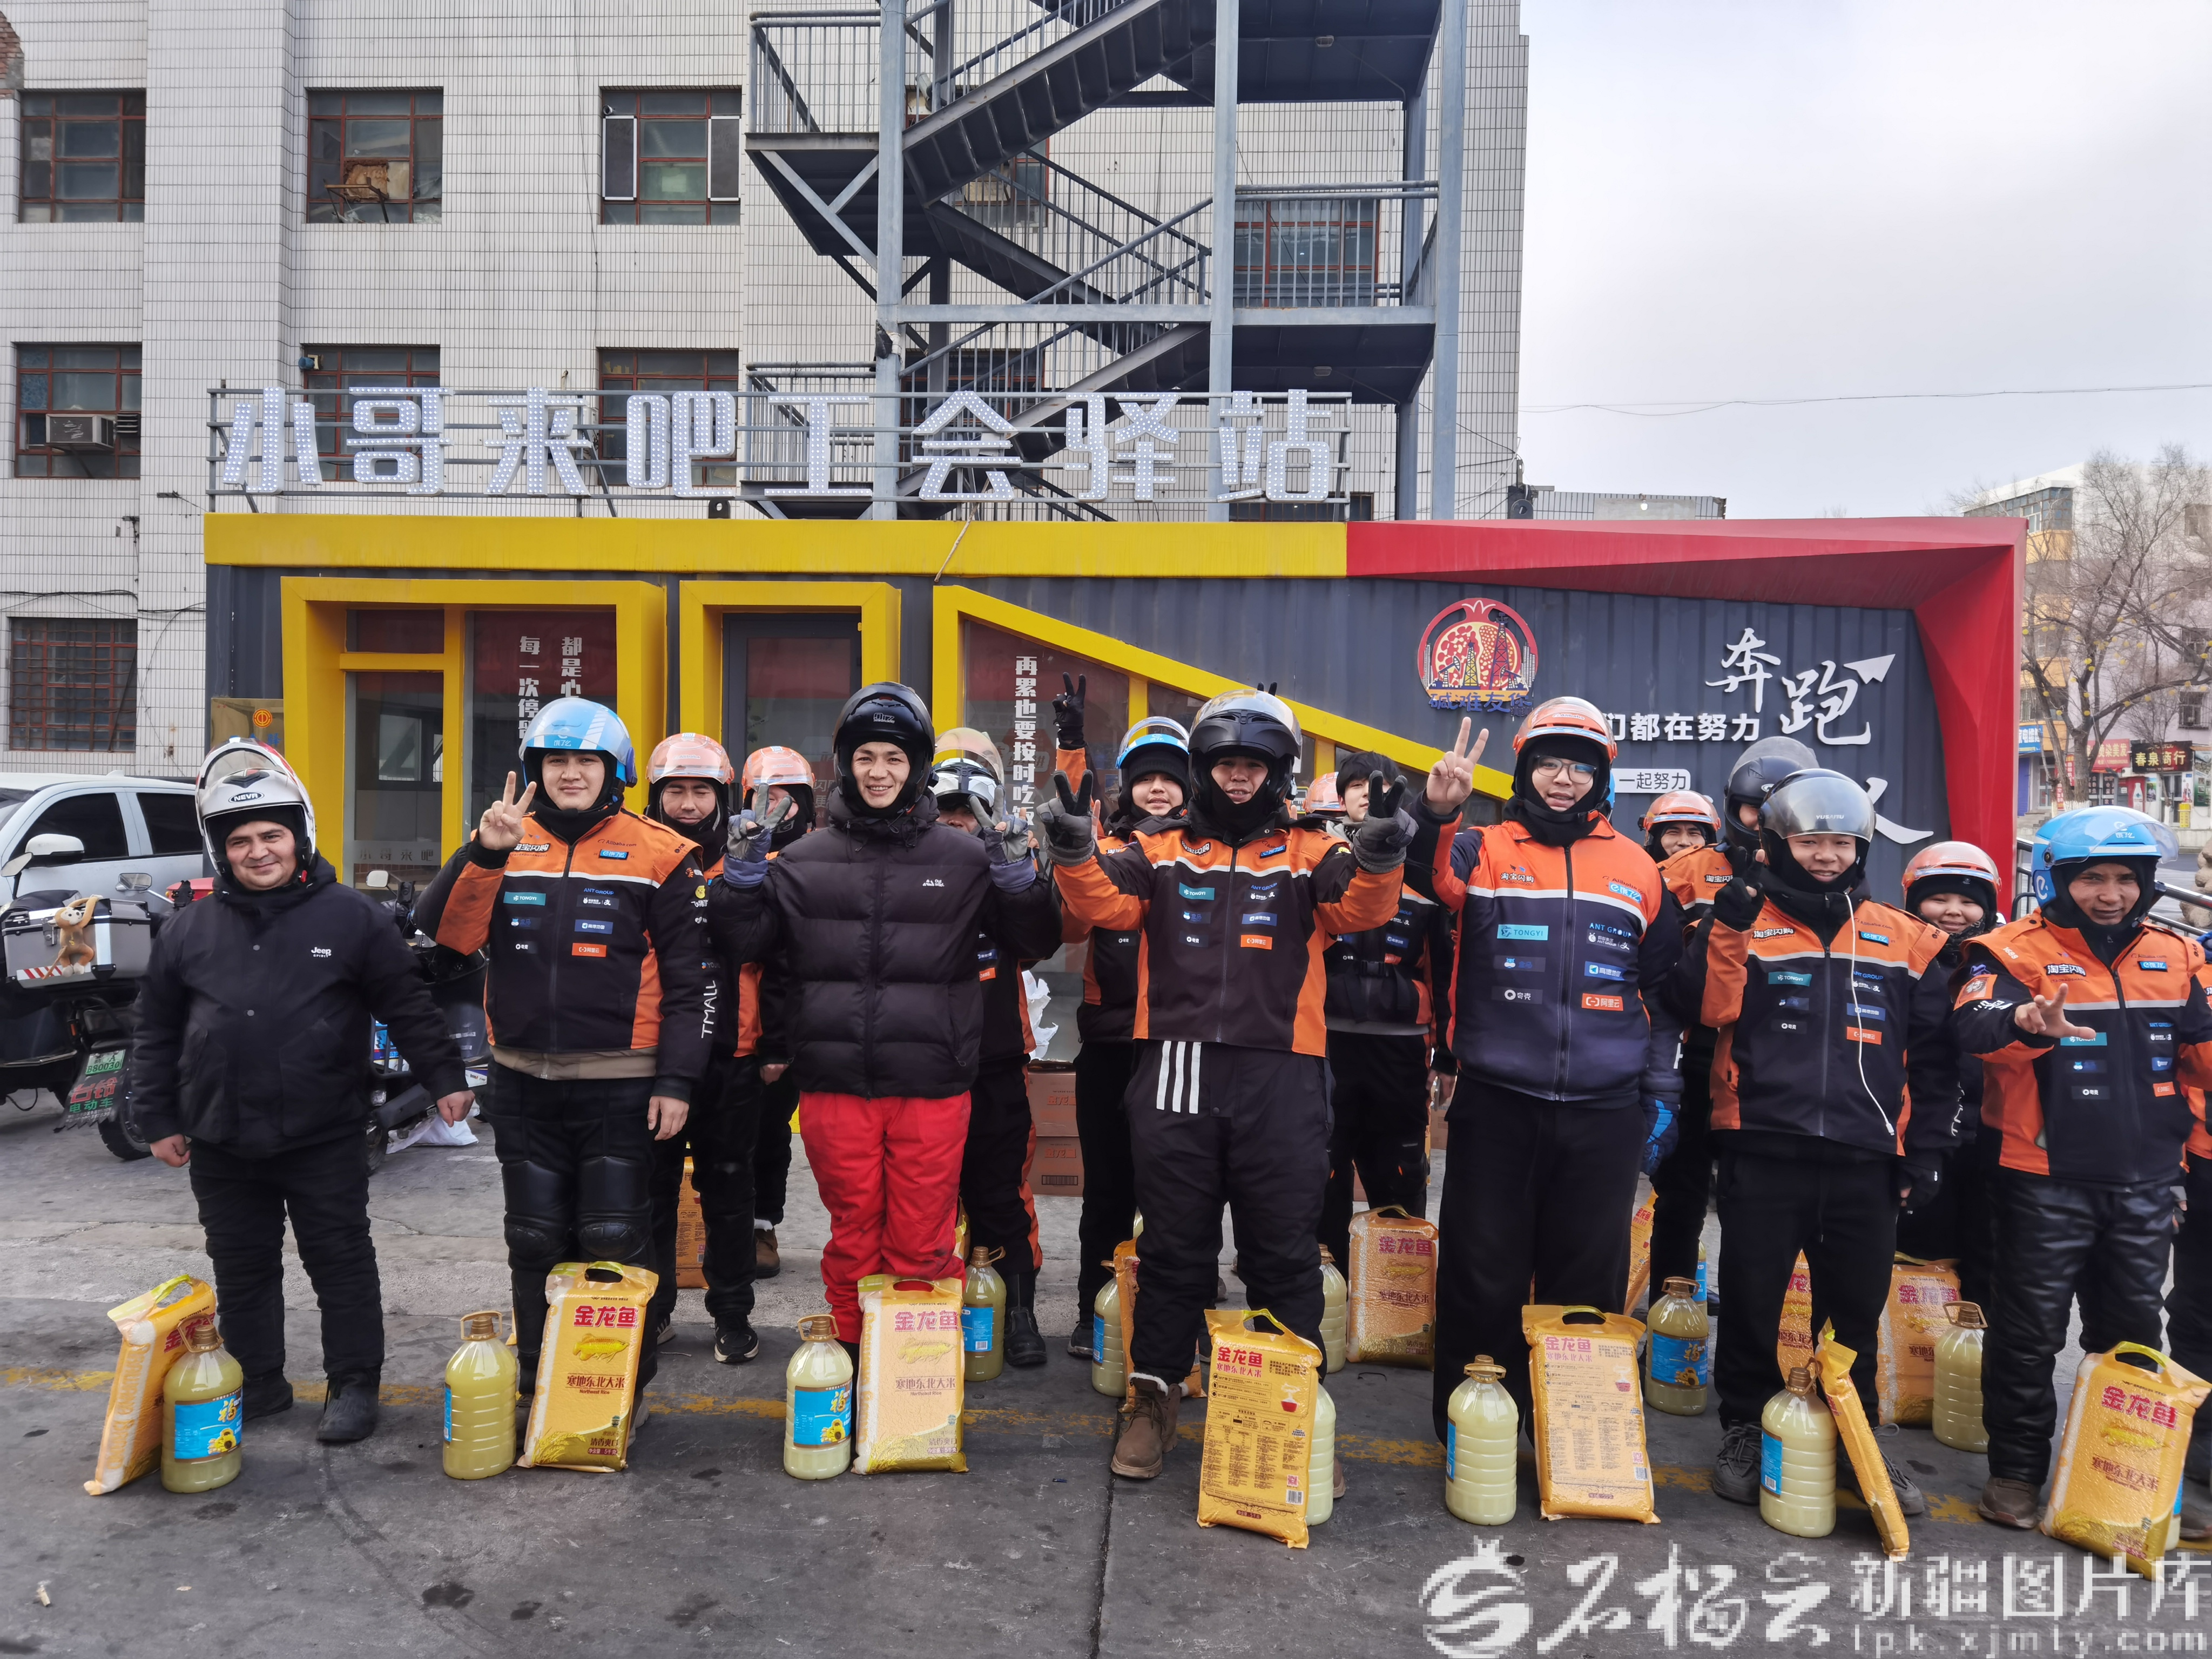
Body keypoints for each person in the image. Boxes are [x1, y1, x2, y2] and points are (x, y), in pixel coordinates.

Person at [1037, 690, 1414, 1482]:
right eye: (1225, 764)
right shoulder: (1159, 847)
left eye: (1254, 765)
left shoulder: (1313, 849)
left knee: (1282, 1252)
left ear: (1278, 772)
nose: (1238, 777)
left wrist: (1381, 856)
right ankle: (1154, 1395)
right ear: (1202, 767)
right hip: (1176, 1071)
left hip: (1283, 1076)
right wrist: (1072, 852)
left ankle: (1288, 1413)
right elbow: (1105, 902)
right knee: (1174, 1247)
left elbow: (1358, 911)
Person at [133, 740, 472, 1443]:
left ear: (299, 837)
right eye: (241, 841)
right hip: (221, 1135)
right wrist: (157, 1115)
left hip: (324, 1129)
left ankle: (354, 1385)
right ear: (221, 850)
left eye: (271, 836)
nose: (258, 852)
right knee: (242, 1266)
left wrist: (445, 1078)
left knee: (339, 1262)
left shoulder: (351, 917)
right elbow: (157, 1029)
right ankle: (260, 1382)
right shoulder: (189, 928)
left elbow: (407, 1004)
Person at [708, 684, 1060, 1354]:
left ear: (918, 766)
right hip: (834, 1081)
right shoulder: (803, 860)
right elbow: (744, 943)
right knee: (853, 1233)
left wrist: (1021, 878)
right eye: (865, 756)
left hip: (932, 1083)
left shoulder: (964, 858)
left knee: (922, 1238)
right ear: (844, 763)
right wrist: (740, 878)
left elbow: (1034, 941)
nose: (878, 772)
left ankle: (912, 1377)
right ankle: (850, 1356)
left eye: (894, 758)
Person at [413, 698, 713, 1411]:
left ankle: (611, 1397)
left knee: (613, 1240)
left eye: (585, 761)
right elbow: (446, 936)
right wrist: (486, 852)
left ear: (615, 771)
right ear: (534, 770)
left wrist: (677, 1081)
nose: (570, 773)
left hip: (623, 1087)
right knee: (534, 1239)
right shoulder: (502, 840)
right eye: (555, 761)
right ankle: (535, 1385)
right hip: (522, 1082)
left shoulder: (663, 853)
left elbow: (694, 983)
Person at [1672, 767, 1957, 1516]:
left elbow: (1934, 1061)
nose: (1826, 856)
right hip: (1763, 1146)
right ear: (1775, 844)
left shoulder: (1906, 936)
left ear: (1860, 848)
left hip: (1867, 1157)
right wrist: (1728, 927)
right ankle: (1745, 1426)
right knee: (1753, 1301)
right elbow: (1707, 1009)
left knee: (1854, 1309)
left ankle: (1853, 1436)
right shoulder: (1743, 919)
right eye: (1809, 842)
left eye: (1841, 843)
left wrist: (1925, 1152)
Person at [1410, 697, 1682, 1439]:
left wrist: (1660, 1094)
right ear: (1525, 771)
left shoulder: (1638, 868)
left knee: (1586, 1281)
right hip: (1497, 1100)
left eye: (1580, 768)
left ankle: (1571, 1435)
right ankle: (1475, 1428)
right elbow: (1427, 879)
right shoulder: (1481, 848)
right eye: (1549, 764)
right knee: (1482, 1271)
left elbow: (1660, 993)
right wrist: (1438, 811)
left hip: (1604, 1110)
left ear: (1601, 780)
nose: (1564, 780)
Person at [1950, 805, 2212, 1529]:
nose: (2111, 894)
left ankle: (2121, 1486)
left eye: (2127, 879)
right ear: (2057, 880)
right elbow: (1972, 1027)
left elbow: (2201, 1053)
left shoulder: (2176, 954)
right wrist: (2025, 1023)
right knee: (2028, 1334)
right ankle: (2015, 1475)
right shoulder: (2007, 951)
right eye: (2093, 878)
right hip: (2042, 1177)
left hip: (2147, 1180)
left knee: (2131, 1340)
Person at [1647, 737, 1816, 1294]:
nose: (1764, 819)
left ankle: (1758, 1314)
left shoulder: (1821, 873)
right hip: (1695, 1052)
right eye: (1753, 808)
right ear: (1734, 809)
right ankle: (1673, 1303)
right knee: (1682, 1188)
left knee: (1756, 1194)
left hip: (1774, 1058)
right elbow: (1652, 967)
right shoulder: (1684, 872)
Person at [1053, 710, 1191, 1355]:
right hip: (1110, 1049)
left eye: (1170, 778)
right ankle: (1096, 1310)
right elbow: (1070, 926)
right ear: (1128, 786)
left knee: (1181, 1193)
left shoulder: (1206, 855)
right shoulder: (1106, 853)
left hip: (1180, 1049)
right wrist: (1071, 751)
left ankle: (1179, 1312)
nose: (1157, 789)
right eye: (1145, 778)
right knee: (1108, 1189)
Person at [930, 728, 1052, 1367]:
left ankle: (1017, 1309)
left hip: (996, 1057)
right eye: (946, 810)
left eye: (969, 811)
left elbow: (1041, 940)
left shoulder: (1008, 867)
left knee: (1001, 1191)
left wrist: (1016, 874)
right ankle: (927, 1315)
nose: (958, 822)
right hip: (918, 1060)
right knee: (926, 1194)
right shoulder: (905, 869)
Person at [639, 732, 760, 1365]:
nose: (688, 805)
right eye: (676, 791)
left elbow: (775, 953)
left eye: (701, 792)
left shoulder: (749, 858)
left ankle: (732, 1313)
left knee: (730, 1190)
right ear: (655, 795)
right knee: (651, 1190)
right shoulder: (638, 857)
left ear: (723, 796)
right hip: (652, 1055)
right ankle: (654, 1310)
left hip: (732, 1055)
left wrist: (776, 1044)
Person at [1317, 747, 1456, 1268]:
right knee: (1322, 1167)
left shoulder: (1422, 867)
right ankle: (1325, 1282)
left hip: (1401, 1049)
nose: (1366, 793)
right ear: (1341, 797)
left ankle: (1397, 1286)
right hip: (1325, 1041)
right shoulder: (1319, 857)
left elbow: (1444, 968)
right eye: (1356, 785)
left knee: (1399, 1171)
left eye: (1376, 784)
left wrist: (1447, 1055)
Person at [1892, 840, 2006, 1313]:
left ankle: (1979, 1353)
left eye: (1968, 901)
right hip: (1917, 1132)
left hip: (1993, 1138)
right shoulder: (1894, 956)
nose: (1953, 911)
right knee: (1916, 1257)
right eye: (1938, 898)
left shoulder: (2008, 961)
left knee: (1990, 1260)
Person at [733, 745, 814, 1280]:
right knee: (724, 1137)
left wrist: (779, 1045)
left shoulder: (817, 861)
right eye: (765, 796)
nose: (779, 808)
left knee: (769, 1134)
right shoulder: (732, 856)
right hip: (725, 1025)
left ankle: (762, 1225)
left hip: (790, 1031)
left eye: (790, 797)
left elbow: (791, 961)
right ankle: (711, 1225)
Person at [1638, 790, 1721, 864]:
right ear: (1656, 839)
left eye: (1694, 833)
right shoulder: (1639, 872)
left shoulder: (1725, 873)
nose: (1684, 842)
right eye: (1673, 833)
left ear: (1708, 840)